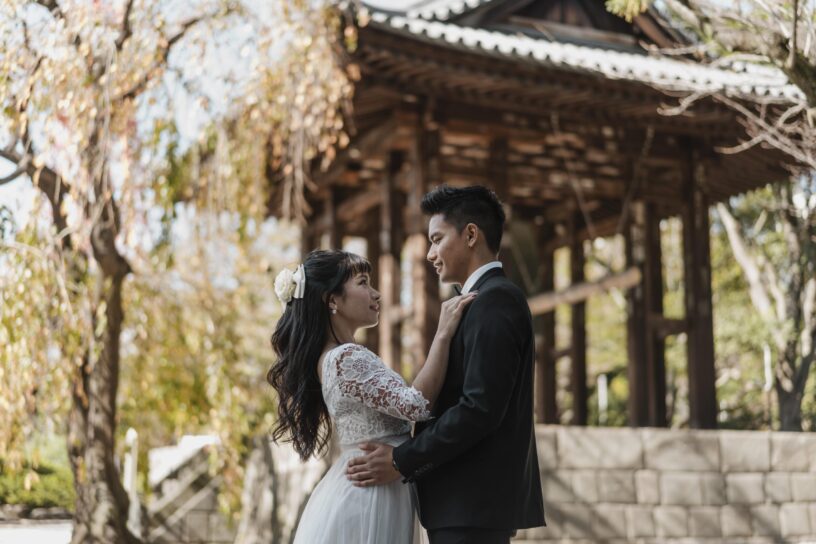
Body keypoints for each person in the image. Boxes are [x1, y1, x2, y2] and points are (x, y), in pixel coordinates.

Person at [346, 185, 546, 544]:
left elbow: (479, 409)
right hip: (463, 505)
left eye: (437, 240)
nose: (429, 254)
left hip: (472, 504)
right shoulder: (477, 302)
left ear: (471, 234)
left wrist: (401, 459)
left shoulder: (496, 300)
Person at [268, 249, 476, 544]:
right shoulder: (345, 357)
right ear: (333, 301)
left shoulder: (330, 358)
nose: (376, 294)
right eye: (363, 282)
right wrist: (442, 334)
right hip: (370, 495)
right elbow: (414, 404)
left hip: (370, 484)